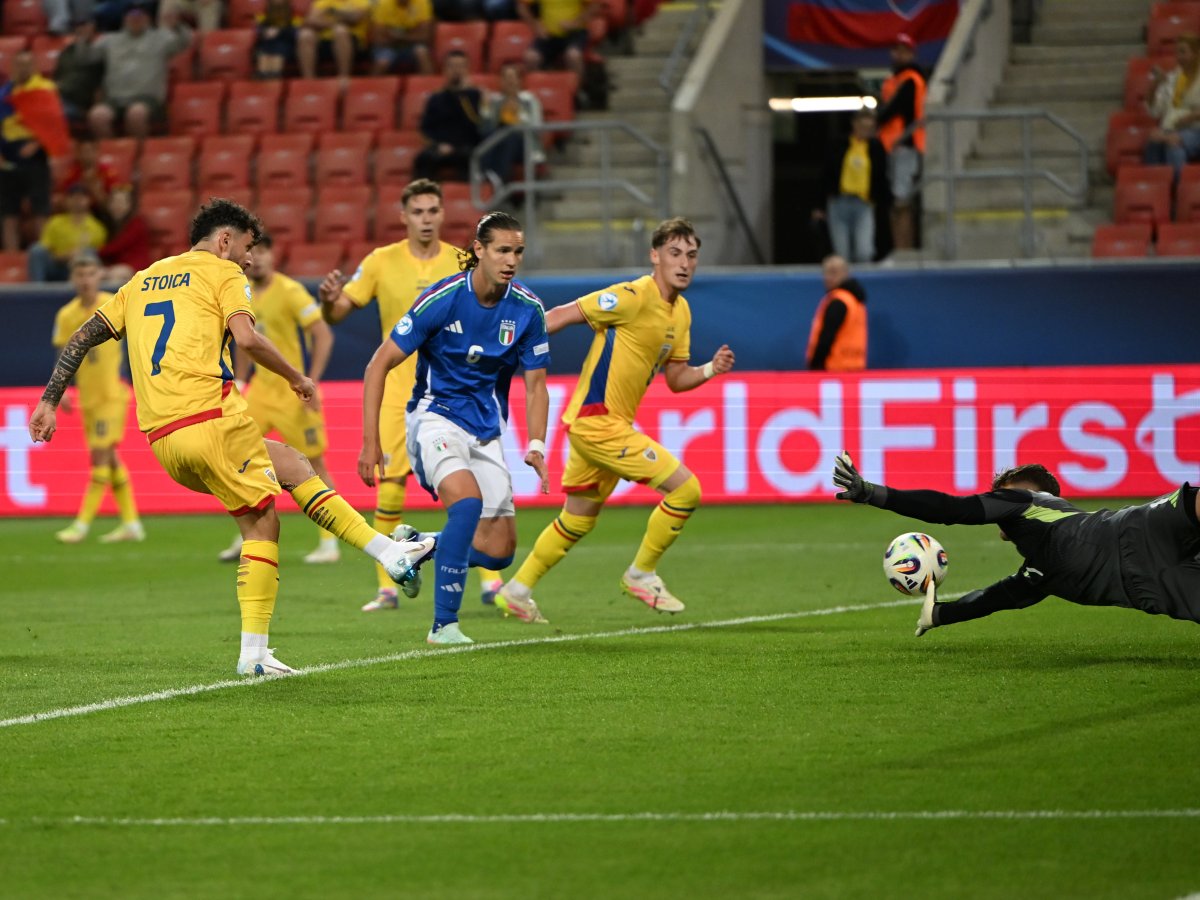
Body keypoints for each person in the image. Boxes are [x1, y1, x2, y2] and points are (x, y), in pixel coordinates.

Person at [28, 198, 434, 677]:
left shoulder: (141, 280)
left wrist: (50, 399)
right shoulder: (223, 274)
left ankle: (378, 561)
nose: (248, 258)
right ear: (224, 240)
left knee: (290, 467)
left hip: (163, 439)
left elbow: (80, 337)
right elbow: (246, 339)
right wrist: (295, 377)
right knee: (264, 524)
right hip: (211, 416)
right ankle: (266, 645)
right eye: (246, 247)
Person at [497, 217, 736, 621]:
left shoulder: (681, 312)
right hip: (598, 422)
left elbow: (676, 378)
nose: (684, 263)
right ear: (655, 256)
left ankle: (517, 591)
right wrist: (506, 352)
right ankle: (641, 574)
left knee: (577, 519)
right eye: (675, 253)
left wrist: (710, 369)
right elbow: (559, 314)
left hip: (606, 425)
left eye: (691, 255)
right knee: (686, 491)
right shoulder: (632, 296)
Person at [359, 210, 551, 645]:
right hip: (433, 417)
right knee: (467, 506)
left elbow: (536, 385)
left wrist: (537, 442)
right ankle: (444, 625)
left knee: (499, 553)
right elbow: (378, 364)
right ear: (478, 251)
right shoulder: (441, 299)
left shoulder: (527, 309)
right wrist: (370, 443)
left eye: (518, 251)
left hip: (485, 428)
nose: (511, 260)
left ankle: (418, 545)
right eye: (503, 250)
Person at [318, 179, 510, 610]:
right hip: (395, 390)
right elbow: (339, 311)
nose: (426, 218)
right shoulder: (381, 262)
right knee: (389, 488)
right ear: (403, 217)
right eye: (418, 212)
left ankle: (490, 581)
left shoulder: (460, 261)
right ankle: (389, 584)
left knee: (474, 488)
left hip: (452, 391)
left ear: (442, 215)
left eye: (433, 211)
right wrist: (329, 301)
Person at [831, 453, 1200, 637]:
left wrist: (875, 494)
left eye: (997, 496)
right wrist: (939, 615)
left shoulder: (1026, 502)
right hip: (1152, 586)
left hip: (1138, 533)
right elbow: (995, 598)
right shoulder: (1039, 574)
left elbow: (950, 509)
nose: (994, 505)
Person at [217, 234, 341, 565]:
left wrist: (311, 379)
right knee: (239, 457)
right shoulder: (241, 290)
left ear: (274, 256)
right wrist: (241, 381)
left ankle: (330, 541)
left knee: (315, 464)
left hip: (291, 393)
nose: (257, 259)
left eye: (263, 252)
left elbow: (322, 333)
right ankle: (247, 535)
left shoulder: (290, 291)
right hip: (259, 392)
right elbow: (243, 342)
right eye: (252, 252)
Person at [51, 253, 144, 545]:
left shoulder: (114, 303)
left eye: (90, 273)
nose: (85, 280)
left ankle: (81, 524)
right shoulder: (66, 315)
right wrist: (61, 389)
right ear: (73, 278)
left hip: (111, 396)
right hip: (88, 400)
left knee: (100, 458)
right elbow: (63, 354)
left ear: (99, 275)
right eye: (80, 274)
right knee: (112, 461)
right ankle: (131, 523)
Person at [89, 3, 192, 140]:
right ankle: (113, 151)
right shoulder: (109, 40)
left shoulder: (161, 38)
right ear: (124, 19)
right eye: (131, 17)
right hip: (115, 98)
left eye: (139, 17)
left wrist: (177, 26)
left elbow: (184, 42)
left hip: (147, 98)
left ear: (147, 19)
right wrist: (83, 39)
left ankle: (138, 153)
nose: (135, 20)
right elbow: (88, 57)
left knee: (136, 114)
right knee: (97, 116)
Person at [0, 49, 69, 252]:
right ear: (12, 67)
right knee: (7, 213)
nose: (23, 68)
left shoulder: (45, 90)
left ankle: (42, 253)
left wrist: (37, 143)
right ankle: (10, 260)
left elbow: (54, 125)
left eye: (28, 64)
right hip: (7, 158)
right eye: (19, 64)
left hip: (36, 159)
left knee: (40, 210)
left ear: (35, 67)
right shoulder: (5, 93)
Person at [815, 108, 889, 264]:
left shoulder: (876, 148)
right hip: (838, 202)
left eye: (870, 128)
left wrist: (884, 200)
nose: (866, 131)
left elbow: (881, 177)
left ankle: (863, 284)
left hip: (863, 203)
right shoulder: (839, 145)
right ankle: (846, 286)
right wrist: (819, 205)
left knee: (864, 252)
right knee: (842, 254)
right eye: (863, 127)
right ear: (854, 125)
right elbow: (826, 173)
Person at [875, 33, 926, 252]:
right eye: (896, 49)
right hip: (893, 147)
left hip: (905, 146)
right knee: (895, 201)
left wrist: (874, 120)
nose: (898, 54)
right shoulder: (895, 80)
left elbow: (892, 110)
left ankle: (904, 250)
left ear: (911, 54)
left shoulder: (911, 79)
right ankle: (899, 249)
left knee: (902, 201)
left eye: (903, 50)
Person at [413, 50, 483, 182]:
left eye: (461, 66)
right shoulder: (436, 98)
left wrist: (465, 94)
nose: (457, 70)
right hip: (440, 147)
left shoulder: (476, 95)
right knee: (423, 159)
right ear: (445, 70)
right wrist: (438, 145)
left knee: (470, 159)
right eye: (452, 66)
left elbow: (478, 124)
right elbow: (425, 129)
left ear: (467, 69)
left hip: (466, 147)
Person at [1143, 34, 1200, 181]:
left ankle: (1179, 194)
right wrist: (1155, 84)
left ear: (1195, 53)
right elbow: (1154, 111)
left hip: (1196, 129)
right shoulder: (1173, 77)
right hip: (1172, 128)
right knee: (1154, 141)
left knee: (1174, 145)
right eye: (1177, 52)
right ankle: (1156, 189)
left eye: (1183, 52)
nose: (1178, 56)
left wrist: (1191, 117)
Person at [28, 183, 108, 282]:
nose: (77, 201)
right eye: (73, 197)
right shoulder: (55, 222)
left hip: (79, 268)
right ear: (67, 200)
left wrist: (79, 255)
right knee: (36, 250)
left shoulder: (97, 228)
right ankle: (37, 291)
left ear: (89, 201)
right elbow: (45, 248)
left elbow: (98, 256)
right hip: (56, 265)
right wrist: (64, 256)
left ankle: (81, 288)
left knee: (88, 252)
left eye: (81, 197)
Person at [481, 61, 545, 185]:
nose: (509, 81)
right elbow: (485, 129)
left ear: (519, 81)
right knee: (490, 136)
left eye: (512, 77)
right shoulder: (494, 101)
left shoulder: (529, 100)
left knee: (511, 135)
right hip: (498, 144)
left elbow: (536, 128)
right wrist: (486, 108)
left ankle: (497, 179)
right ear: (500, 81)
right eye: (505, 77)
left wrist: (519, 119)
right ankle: (487, 176)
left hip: (525, 145)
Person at [517, 0, 599, 95]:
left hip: (574, 33)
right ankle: (533, 94)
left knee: (573, 56)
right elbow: (521, 6)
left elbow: (595, 5)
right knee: (530, 57)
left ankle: (577, 93)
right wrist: (535, 26)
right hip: (548, 34)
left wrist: (576, 23)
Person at [806, 254, 866, 371]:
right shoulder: (855, 301)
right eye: (826, 272)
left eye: (833, 272)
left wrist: (816, 364)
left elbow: (827, 336)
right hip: (855, 367)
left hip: (834, 368)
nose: (828, 277)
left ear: (846, 274)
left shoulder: (839, 302)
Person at [297, 0, 370, 84]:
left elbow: (355, 18)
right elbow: (311, 19)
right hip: (326, 40)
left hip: (353, 42)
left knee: (341, 31)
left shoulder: (360, 1)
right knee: (306, 35)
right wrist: (336, 21)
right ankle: (309, 81)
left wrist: (331, 12)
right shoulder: (324, 1)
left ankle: (344, 77)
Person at [52, 17, 106, 127]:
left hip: (79, 103)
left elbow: (102, 83)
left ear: (92, 28)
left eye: (85, 26)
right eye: (78, 26)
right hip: (57, 96)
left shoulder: (99, 52)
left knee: (54, 113)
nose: (81, 29)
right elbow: (57, 76)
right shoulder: (67, 51)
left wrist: (93, 106)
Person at [97, 185, 152, 282]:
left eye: (121, 202)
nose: (117, 205)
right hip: (120, 265)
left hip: (136, 265)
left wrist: (95, 251)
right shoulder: (111, 223)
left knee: (112, 275)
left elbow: (118, 246)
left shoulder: (137, 223)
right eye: (114, 202)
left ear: (129, 205)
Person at [369, 0, 433, 76]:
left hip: (411, 45)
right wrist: (413, 32)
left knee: (422, 53)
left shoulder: (422, 2)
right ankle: (370, 87)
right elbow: (378, 38)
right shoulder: (383, 4)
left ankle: (429, 86)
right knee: (382, 62)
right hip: (387, 46)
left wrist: (395, 35)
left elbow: (424, 35)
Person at [59, 137, 119, 211]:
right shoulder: (72, 174)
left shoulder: (108, 173)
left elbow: (115, 206)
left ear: (97, 152)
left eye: (90, 151)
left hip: (102, 214)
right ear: (77, 153)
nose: (86, 155)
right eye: (83, 151)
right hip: (77, 213)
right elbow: (64, 201)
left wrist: (97, 191)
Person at [254, 0, 301, 78]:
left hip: (285, 45)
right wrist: (265, 32)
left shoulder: (295, 17)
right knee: (264, 55)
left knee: (278, 53)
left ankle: (274, 78)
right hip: (267, 45)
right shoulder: (263, 16)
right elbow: (258, 31)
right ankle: (262, 77)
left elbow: (295, 34)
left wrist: (279, 32)